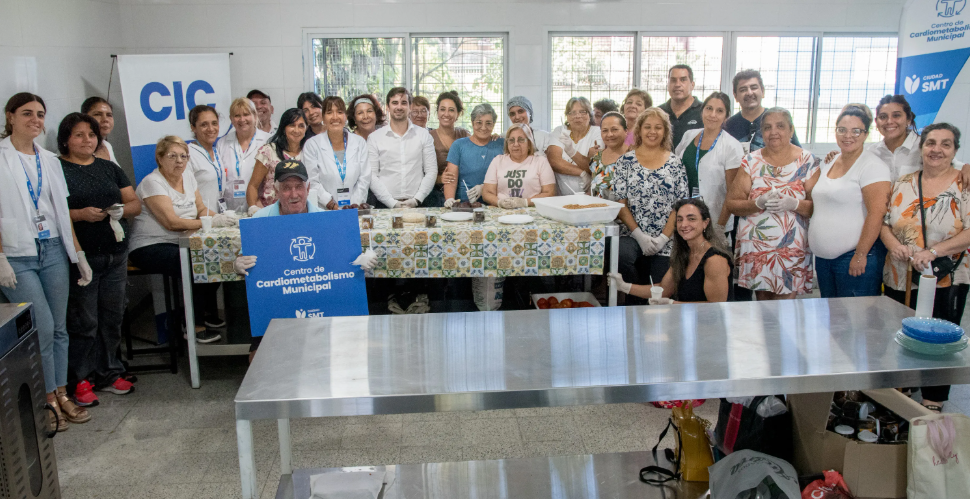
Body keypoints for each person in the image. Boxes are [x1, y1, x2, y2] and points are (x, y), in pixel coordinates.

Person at [1, 93, 94, 431]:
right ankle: (45, 402)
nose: (35, 120)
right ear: (10, 117)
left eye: (40, 114)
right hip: (17, 254)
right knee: (38, 326)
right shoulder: (1, 156)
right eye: (27, 114)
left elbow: (60, 211)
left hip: (53, 248)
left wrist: (78, 254)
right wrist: (0, 256)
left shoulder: (50, 159)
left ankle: (61, 392)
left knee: (58, 327)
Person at [233, 159, 377, 361]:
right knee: (258, 358)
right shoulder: (259, 222)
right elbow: (245, 260)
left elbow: (340, 264)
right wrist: (238, 265)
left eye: (299, 187)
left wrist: (359, 261)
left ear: (308, 188)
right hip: (277, 312)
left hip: (322, 309)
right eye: (286, 188)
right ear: (276, 191)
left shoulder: (327, 220)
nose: (294, 194)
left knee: (345, 351)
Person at [881, 123, 969, 412]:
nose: (937, 150)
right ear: (922, 148)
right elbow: (884, 223)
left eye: (946, 144)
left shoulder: (964, 183)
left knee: (938, 339)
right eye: (931, 143)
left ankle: (933, 399)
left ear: (955, 150)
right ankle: (903, 388)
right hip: (901, 274)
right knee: (903, 333)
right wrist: (894, 245)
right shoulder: (904, 182)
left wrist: (933, 252)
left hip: (945, 275)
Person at [58, 113, 141, 404]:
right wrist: (79, 215)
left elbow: (135, 204)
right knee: (84, 321)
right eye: (79, 135)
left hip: (115, 255)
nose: (87, 140)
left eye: (91, 135)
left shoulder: (108, 167)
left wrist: (120, 210)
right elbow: (49, 212)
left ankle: (109, 372)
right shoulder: (58, 169)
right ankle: (81, 379)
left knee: (112, 317)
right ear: (66, 139)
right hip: (83, 258)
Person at [129, 136, 237, 344]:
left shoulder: (187, 176)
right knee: (196, 264)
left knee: (220, 259)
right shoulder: (153, 182)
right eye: (172, 156)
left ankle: (194, 313)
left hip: (180, 242)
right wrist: (209, 223)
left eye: (183, 156)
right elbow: (171, 223)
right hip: (149, 245)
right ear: (159, 158)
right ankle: (193, 326)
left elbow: (200, 209)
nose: (179, 161)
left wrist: (222, 219)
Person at [725, 107, 818, 300]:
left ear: (791, 130)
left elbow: (817, 208)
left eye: (780, 126)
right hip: (757, 250)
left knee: (783, 312)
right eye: (767, 127)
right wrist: (757, 203)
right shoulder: (751, 161)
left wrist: (794, 204)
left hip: (791, 249)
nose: (773, 131)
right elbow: (732, 204)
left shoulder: (807, 161)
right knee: (763, 310)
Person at [808, 105, 890, 298]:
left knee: (855, 321)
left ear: (865, 134)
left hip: (854, 256)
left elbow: (876, 213)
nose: (848, 136)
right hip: (824, 259)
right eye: (842, 130)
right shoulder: (830, 161)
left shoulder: (872, 166)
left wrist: (860, 255)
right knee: (832, 319)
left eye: (856, 131)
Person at [611, 107, 689, 304]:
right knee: (623, 257)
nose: (652, 132)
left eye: (658, 127)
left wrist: (662, 238)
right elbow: (620, 203)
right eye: (647, 127)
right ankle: (631, 307)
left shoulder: (675, 163)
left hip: (666, 238)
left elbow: (679, 206)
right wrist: (639, 236)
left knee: (660, 290)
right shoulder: (625, 162)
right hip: (632, 234)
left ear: (665, 131)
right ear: (639, 130)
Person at [609, 198, 731, 303]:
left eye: (691, 219)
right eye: (679, 219)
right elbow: (664, 290)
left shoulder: (715, 260)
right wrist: (624, 286)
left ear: (705, 223)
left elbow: (715, 308)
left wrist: (672, 304)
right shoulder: (684, 253)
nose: (684, 224)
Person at [673, 92, 745, 232]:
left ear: (726, 116)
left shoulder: (732, 146)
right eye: (709, 108)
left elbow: (732, 194)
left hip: (714, 220)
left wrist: (719, 228)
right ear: (702, 111)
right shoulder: (689, 135)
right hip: (684, 217)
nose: (712, 115)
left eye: (719, 111)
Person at [366, 87, 437, 209]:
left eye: (404, 103)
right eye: (394, 103)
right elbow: (372, 175)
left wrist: (416, 200)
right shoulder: (374, 138)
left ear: (409, 107)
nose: (399, 107)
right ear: (387, 107)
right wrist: (391, 203)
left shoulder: (424, 135)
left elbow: (431, 171)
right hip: (384, 205)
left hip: (418, 204)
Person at [303, 97, 371, 209]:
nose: (335, 117)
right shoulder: (312, 145)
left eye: (339, 112)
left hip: (354, 210)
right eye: (329, 112)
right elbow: (312, 182)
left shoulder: (359, 143)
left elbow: (364, 178)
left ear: (345, 116)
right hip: (324, 210)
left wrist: (353, 205)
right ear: (323, 118)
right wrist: (332, 205)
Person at [723, 70, 801, 154]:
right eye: (743, 89)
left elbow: (798, 154)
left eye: (754, 88)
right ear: (735, 96)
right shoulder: (728, 126)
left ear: (763, 92)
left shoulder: (779, 119)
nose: (749, 93)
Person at [246, 108, 307, 214]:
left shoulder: (310, 152)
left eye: (301, 126)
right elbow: (253, 186)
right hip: (271, 213)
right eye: (292, 125)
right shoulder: (268, 151)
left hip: (302, 213)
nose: (297, 130)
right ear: (284, 128)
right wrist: (254, 209)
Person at [442, 103, 504, 205]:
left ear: (494, 124)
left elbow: (508, 177)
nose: (483, 128)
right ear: (472, 122)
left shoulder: (501, 145)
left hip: (496, 204)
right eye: (479, 122)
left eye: (488, 123)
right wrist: (450, 199)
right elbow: (451, 178)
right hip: (464, 205)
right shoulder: (459, 145)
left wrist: (484, 187)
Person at [481, 124, 557, 208]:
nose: (516, 144)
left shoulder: (540, 161)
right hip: (503, 211)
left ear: (529, 143)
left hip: (532, 211)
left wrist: (525, 202)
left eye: (521, 140)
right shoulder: (497, 161)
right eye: (511, 140)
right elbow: (487, 193)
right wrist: (500, 202)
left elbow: (549, 193)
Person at [217, 98, 271, 212]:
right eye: (237, 116)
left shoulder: (268, 141)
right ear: (231, 119)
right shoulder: (222, 143)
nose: (242, 119)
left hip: (260, 207)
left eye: (246, 114)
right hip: (229, 209)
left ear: (255, 116)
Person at [547, 96, 601, 195]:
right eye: (572, 112)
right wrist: (582, 173)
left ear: (590, 114)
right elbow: (554, 161)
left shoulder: (597, 133)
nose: (577, 116)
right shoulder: (560, 131)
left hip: (589, 196)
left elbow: (594, 166)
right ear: (567, 116)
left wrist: (571, 151)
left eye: (582, 112)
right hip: (561, 197)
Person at [427, 91, 469, 207]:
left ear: (458, 114)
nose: (446, 114)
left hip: (463, 193)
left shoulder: (464, 135)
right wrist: (440, 179)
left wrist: (493, 137)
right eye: (442, 109)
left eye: (451, 110)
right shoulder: (428, 137)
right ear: (437, 112)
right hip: (435, 196)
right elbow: (418, 173)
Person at [187, 105, 225, 214]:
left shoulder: (216, 151)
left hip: (216, 216)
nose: (211, 129)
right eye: (204, 125)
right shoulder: (188, 154)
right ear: (193, 127)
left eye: (214, 123)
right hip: (200, 218)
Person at [659, 65, 704, 148]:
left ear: (692, 85)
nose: (677, 84)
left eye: (683, 80)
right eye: (673, 80)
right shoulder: (658, 112)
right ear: (667, 85)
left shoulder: (704, 112)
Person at [589, 111, 630, 201]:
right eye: (605, 131)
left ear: (626, 131)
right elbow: (594, 190)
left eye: (614, 129)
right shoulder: (596, 158)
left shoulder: (633, 158)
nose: (610, 134)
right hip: (598, 212)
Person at [81, 97, 118, 164]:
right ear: (84, 117)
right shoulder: (79, 149)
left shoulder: (107, 145)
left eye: (109, 115)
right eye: (97, 114)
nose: (105, 119)